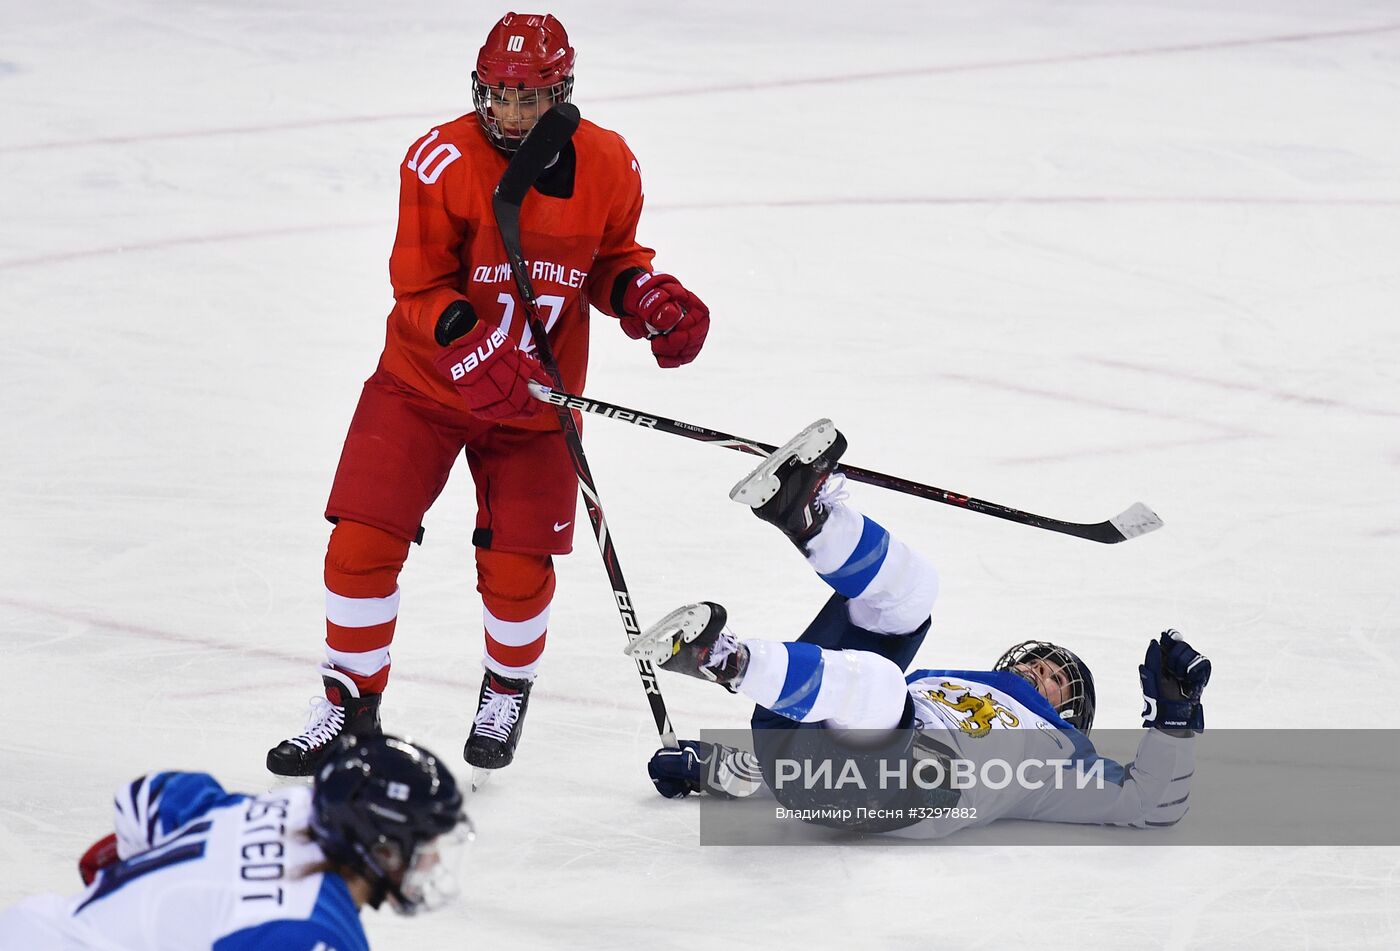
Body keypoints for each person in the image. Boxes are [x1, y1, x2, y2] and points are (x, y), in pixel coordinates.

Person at [266, 11, 710, 779]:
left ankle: (507, 684)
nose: (509, 112)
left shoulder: (610, 163)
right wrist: (468, 345)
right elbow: (417, 283)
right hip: (420, 388)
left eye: (529, 97)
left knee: (519, 570)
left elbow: (612, 261)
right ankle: (349, 700)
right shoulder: (439, 160)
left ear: (562, 93)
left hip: (535, 402)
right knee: (360, 545)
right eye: (498, 94)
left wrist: (644, 295)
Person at [629, 420, 1211, 837]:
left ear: (1071, 714)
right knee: (913, 598)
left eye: (1058, 679)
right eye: (1040, 661)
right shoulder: (940, 686)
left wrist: (1175, 719)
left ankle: (723, 659)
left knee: (881, 683)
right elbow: (799, 763)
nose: (1040, 671)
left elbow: (1151, 803)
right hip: (815, 745)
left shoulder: (1062, 759)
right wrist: (710, 768)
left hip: (900, 795)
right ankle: (807, 517)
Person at [0, 735, 471, 949]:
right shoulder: (315, 932)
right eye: (424, 843)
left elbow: (144, 799)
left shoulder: (289, 809)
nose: (430, 860)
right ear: (380, 845)